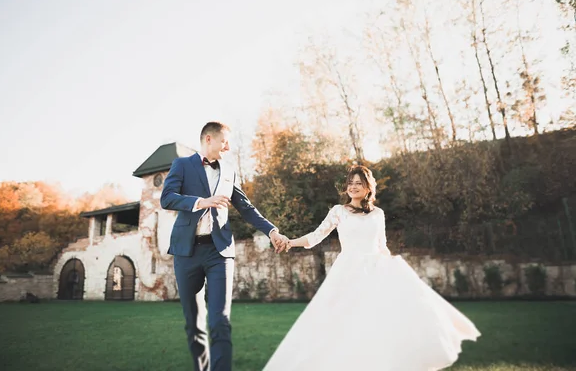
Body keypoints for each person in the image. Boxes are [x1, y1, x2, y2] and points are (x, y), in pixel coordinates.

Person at [263, 165, 480, 371]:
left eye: (358, 182)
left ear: (368, 187)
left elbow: (381, 245)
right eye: (350, 182)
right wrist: (291, 242)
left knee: (378, 323)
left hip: (375, 271)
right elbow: (315, 237)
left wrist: (392, 268)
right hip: (347, 272)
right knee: (344, 323)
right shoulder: (339, 211)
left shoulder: (378, 214)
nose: (353, 186)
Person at [160, 121, 289, 371]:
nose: (227, 147)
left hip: (220, 252)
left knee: (220, 320)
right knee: (194, 323)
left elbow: (246, 208)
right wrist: (202, 201)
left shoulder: (229, 171)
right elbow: (167, 198)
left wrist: (272, 230)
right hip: (186, 252)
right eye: (224, 141)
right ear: (209, 139)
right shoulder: (182, 164)